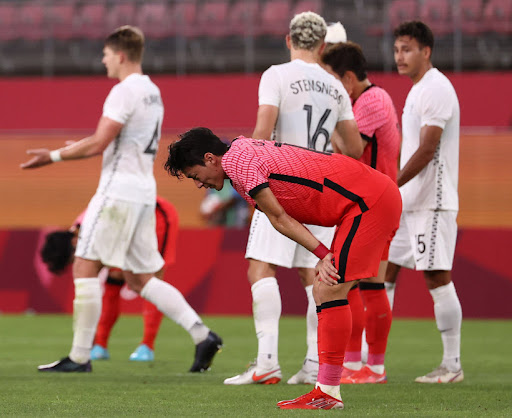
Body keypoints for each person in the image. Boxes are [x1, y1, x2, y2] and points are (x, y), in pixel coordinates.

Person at [21, 26, 222, 373]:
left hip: (118, 192)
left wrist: (52, 156)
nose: (103, 61)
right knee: (140, 279)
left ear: (121, 55)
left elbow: (100, 142)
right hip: (144, 193)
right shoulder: (152, 91)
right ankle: (203, 335)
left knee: (85, 265)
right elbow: (114, 139)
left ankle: (80, 357)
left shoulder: (123, 91)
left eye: (106, 54)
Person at [165, 127, 401, 410]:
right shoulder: (240, 151)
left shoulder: (237, 162)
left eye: (195, 175)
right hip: (365, 198)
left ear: (210, 158)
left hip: (367, 202)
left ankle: (329, 390)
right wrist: (322, 254)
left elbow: (278, 217)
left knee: (329, 289)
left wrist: (322, 254)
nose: (198, 184)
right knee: (326, 289)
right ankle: (328, 387)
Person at [223, 12, 364, 386]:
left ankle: (267, 362)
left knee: (260, 267)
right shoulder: (335, 86)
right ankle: (315, 364)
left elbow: (262, 132)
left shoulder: (276, 75)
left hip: (283, 182)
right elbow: (355, 148)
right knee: (314, 273)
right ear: (322, 45)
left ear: (288, 40)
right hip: (322, 189)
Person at [386, 21, 463, 384]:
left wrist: (390, 184)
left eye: (407, 49)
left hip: (433, 200)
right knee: (385, 270)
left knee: (436, 277)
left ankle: (452, 364)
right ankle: (372, 359)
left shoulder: (436, 88)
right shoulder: (418, 90)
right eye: (396, 49)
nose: (399, 56)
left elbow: (428, 148)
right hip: (410, 200)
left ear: (426, 51)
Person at [321, 41, 401, 384]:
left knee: (369, 284)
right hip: (361, 205)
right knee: (351, 285)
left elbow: (351, 151)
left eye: (332, 81)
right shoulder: (365, 99)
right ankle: (354, 364)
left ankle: (374, 367)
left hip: (375, 205)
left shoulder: (372, 101)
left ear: (348, 79)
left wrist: (332, 122)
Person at [41, 196, 196, 362]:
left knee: (150, 279)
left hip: (155, 215)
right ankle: (100, 344)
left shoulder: (92, 228)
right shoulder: (82, 234)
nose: (77, 263)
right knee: (114, 279)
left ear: (73, 242)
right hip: (126, 227)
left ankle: (148, 345)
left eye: (73, 259)